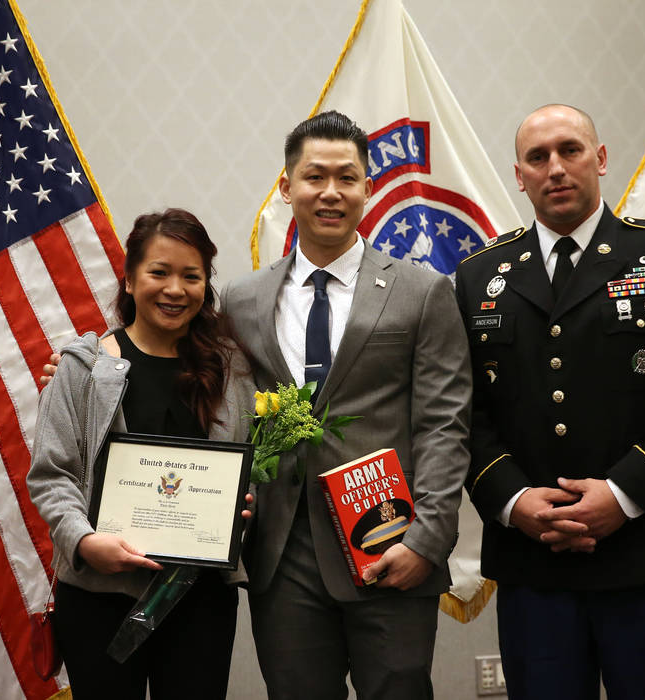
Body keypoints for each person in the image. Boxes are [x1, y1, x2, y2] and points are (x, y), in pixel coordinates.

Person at [454, 104, 645, 699]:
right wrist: (513, 502)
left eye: (570, 150)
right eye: (538, 157)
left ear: (600, 159)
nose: (555, 168)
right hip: (536, 562)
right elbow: (462, 411)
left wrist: (624, 493)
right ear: (519, 174)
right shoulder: (481, 275)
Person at [221, 110, 471, 700]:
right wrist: (88, 357)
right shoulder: (241, 299)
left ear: (368, 187)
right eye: (314, 177)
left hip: (391, 542)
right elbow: (208, 394)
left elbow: (443, 423)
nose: (330, 192)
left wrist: (426, 540)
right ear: (287, 188)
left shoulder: (423, 290)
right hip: (283, 555)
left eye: (347, 177)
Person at [27, 209, 256, 699]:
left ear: (205, 286)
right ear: (130, 279)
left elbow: (249, 463)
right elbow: (51, 477)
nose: (175, 289)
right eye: (159, 272)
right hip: (98, 596)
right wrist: (86, 544)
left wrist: (244, 502)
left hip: (199, 597)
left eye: (191, 276)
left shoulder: (232, 370)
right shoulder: (80, 368)